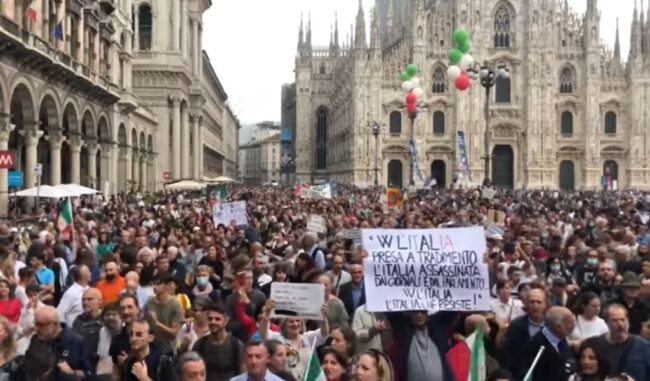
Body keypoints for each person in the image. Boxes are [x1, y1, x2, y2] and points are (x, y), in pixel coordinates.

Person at [23, 305, 92, 381]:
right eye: (35, 324)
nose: (36, 329)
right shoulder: (36, 339)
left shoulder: (76, 342)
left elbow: (89, 373)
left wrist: (71, 374)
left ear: (55, 324)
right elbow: (27, 365)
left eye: (41, 325)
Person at [385, 309, 456, 381]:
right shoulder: (403, 330)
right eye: (415, 312)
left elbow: (452, 308)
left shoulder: (438, 328)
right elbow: (389, 308)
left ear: (427, 314)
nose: (419, 315)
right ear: (410, 314)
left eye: (422, 311)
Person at [588, 304, 650, 381]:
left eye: (622, 320)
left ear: (628, 321)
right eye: (614, 320)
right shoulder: (595, 345)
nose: (620, 324)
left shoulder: (644, 346)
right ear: (606, 322)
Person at [519, 306, 577, 381]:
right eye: (570, 322)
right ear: (558, 327)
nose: (574, 325)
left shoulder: (561, 338)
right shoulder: (537, 348)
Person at [192, 303, 244, 381]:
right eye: (210, 319)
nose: (213, 322)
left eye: (217, 319)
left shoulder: (236, 345)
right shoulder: (199, 345)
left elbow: (243, 374)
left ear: (226, 321)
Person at [500, 288, 547, 376]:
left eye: (539, 302)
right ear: (526, 304)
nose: (535, 306)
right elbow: (507, 354)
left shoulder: (550, 327)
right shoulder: (516, 325)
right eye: (532, 302)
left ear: (544, 304)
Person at [145, 274, 183, 355]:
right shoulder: (149, 301)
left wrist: (157, 323)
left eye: (158, 284)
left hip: (167, 348)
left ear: (166, 286)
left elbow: (174, 332)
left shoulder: (175, 304)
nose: (155, 287)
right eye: (153, 284)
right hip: (150, 346)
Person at [72, 288, 104, 366]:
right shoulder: (78, 320)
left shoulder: (106, 319)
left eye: (90, 299)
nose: (85, 302)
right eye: (83, 300)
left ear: (100, 301)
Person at [110, 294, 142, 371]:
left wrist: (129, 362)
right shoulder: (117, 339)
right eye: (122, 308)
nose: (126, 312)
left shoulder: (148, 334)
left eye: (129, 307)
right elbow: (116, 368)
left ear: (138, 309)